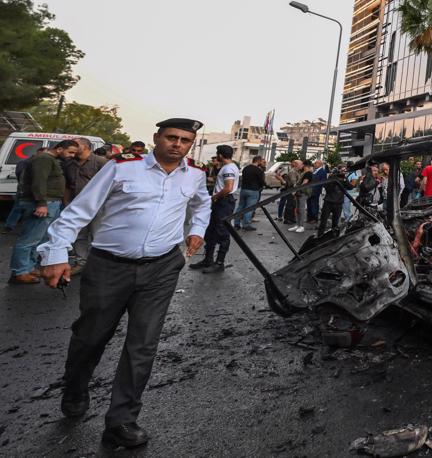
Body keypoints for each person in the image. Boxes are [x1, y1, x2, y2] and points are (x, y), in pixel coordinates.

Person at [36, 118, 210, 449]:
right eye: (171, 137)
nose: (178, 144)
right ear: (157, 138)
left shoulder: (196, 175)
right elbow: (79, 212)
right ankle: (74, 389)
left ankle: (122, 420)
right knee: (91, 336)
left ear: (191, 144)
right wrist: (56, 253)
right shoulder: (121, 168)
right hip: (109, 267)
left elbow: (203, 203)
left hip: (161, 269)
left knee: (143, 345)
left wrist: (197, 229)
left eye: (185, 140)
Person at [8, 139, 79, 284]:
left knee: (39, 239)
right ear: (59, 149)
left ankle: (29, 267)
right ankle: (19, 271)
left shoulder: (50, 159)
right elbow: (38, 182)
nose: (72, 155)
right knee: (29, 239)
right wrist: (41, 203)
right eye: (70, 152)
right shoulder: (44, 159)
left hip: (50, 202)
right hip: (43, 203)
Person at [190, 145, 239, 274]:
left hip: (223, 202)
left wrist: (214, 197)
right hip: (220, 202)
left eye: (217, 154)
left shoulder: (228, 168)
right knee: (211, 231)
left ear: (220, 155)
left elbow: (228, 187)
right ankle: (208, 259)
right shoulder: (229, 166)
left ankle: (219, 263)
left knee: (222, 232)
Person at [63, 138, 109, 271]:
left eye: (76, 144)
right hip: (77, 206)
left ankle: (100, 266)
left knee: (99, 235)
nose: (72, 146)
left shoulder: (101, 162)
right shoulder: (70, 163)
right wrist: (67, 203)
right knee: (79, 236)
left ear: (86, 146)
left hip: (98, 207)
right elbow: (68, 186)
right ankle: (81, 263)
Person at [2, 145, 36, 233]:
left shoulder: (24, 162)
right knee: (23, 208)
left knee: (18, 208)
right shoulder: (27, 163)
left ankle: (9, 226)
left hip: (23, 189)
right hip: (26, 190)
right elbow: (21, 176)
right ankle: (18, 228)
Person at [234, 156, 265, 231]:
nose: (262, 163)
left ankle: (236, 224)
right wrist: (262, 186)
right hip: (253, 190)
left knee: (240, 206)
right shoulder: (258, 170)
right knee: (249, 208)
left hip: (244, 189)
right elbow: (261, 181)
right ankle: (246, 225)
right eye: (261, 161)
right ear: (258, 161)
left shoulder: (246, 168)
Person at [318, 164, 348, 235]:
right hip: (329, 202)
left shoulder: (344, 179)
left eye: (345, 170)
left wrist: (344, 179)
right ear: (338, 170)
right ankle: (320, 235)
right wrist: (334, 179)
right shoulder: (332, 177)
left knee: (335, 222)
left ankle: (333, 236)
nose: (344, 172)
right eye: (342, 170)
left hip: (338, 203)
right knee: (323, 221)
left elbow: (350, 187)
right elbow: (327, 188)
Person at [289, 162, 313, 233]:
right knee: (298, 209)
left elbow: (304, 182)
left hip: (303, 192)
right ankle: (298, 225)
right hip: (300, 192)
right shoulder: (304, 172)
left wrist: (296, 190)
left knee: (301, 209)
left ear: (306, 166)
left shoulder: (308, 173)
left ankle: (301, 226)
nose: (302, 166)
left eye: (303, 165)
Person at [281, 160, 303, 224]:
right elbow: (294, 182)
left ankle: (291, 218)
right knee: (290, 205)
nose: (302, 165)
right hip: (292, 190)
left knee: (293, 205)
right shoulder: (293, 172)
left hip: (293, 190)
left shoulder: (297, 171)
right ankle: (287, 219)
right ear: (297, 165)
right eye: (301, 164)